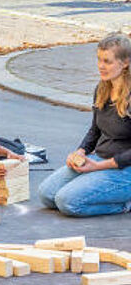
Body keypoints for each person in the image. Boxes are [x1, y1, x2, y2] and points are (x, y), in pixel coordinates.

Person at [39, 32, 131, 217]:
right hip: (100, 159)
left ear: (125, 63)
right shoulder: (102, 88)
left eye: (107, 61)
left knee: (68, 202)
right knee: (47, 195)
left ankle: (125, 204)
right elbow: (95, 130)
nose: (101, 66)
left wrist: (98, 167)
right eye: (99, 60)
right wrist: (80, 152)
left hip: (124, 168)